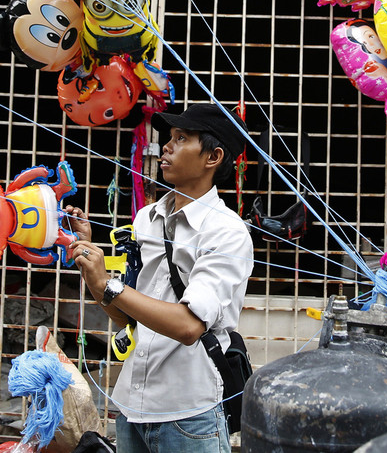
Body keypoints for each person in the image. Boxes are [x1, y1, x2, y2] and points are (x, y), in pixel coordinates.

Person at [67, 102, 253, 453]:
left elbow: (187, 327)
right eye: (169, 137)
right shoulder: (146, 219)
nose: (166, 146)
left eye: (181, 138)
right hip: (131, 409)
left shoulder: (226, 232)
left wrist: (109, 284)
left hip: (190, 415)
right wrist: (95, 274)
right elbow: (126, 316)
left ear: (212, 157)